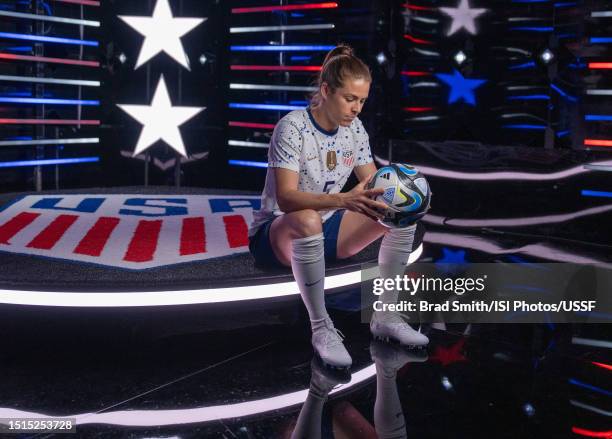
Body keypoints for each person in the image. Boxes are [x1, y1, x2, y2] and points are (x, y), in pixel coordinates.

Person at [248, 44, 429, 370]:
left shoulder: (354, 129)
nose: (356, 109)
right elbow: (287, 199)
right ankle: (321, 329)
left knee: (401, 213)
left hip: (328, 225)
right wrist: (345, 200)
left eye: (361, 101)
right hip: (277, 232)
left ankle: (385, 315)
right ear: (326, 90)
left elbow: (376, 185)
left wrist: (402, 191)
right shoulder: (292, 127)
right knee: (305, 219)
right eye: (349, 99)